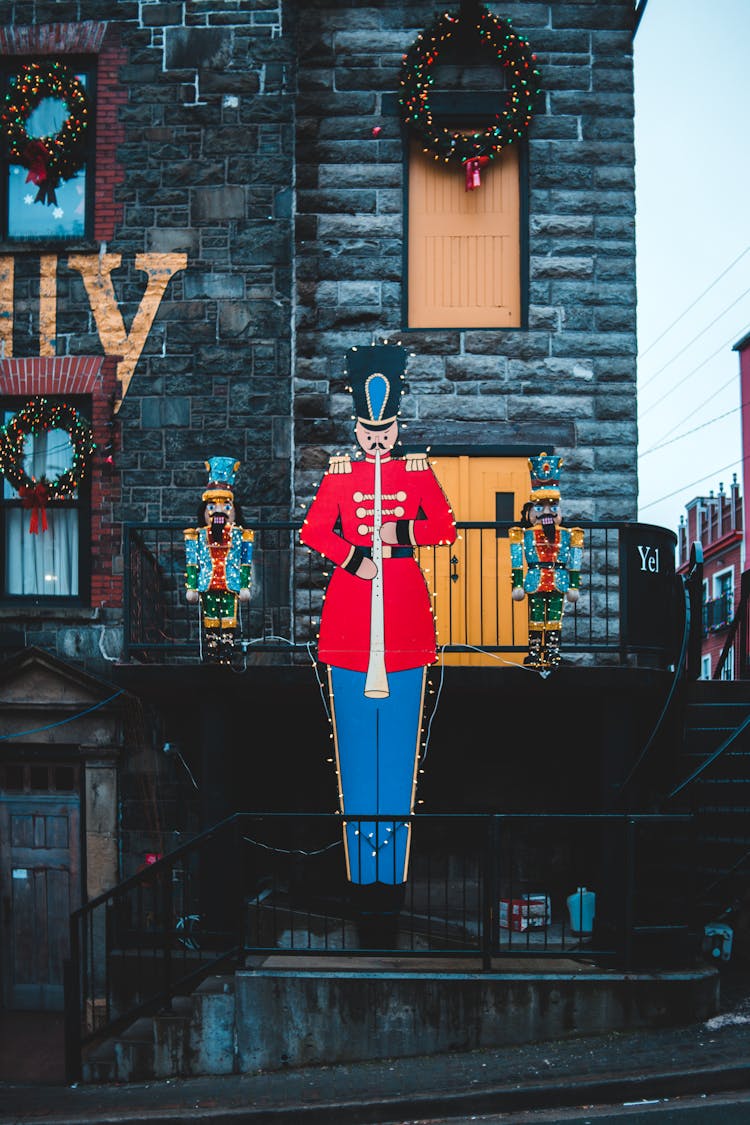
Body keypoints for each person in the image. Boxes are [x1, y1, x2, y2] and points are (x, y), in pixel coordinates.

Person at [300, 344, 456, 895]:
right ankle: (360, 872)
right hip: (350, 612)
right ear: (358, 429)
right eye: (369, 432)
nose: (376, 441)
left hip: (406, 615)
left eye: (384, 432)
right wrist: (354, 558)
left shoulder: (415, 472)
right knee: (353, 754)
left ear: (396, 427)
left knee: (398, 753)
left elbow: (443, 527)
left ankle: (390, 872)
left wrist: (399, 534)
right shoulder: (340, 476)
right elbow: (315, 530)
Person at [509, 453, 584, 670]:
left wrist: (573, 585)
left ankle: (552, 652)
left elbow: (575, 560)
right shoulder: (523, 534)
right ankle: (535, 652)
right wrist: (517, 584)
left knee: (554, 617)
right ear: (532, 510)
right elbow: (516, 561)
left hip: (558, 579)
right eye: (540, 508)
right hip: (534, 578)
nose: (547, 513)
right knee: (535, 616)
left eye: (552, 507)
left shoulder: (570, 535)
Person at [183, 457, 254, 664]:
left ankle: (227, 647)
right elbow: (192, 562)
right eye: (212, 506)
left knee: (229, 616)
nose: (219, 512)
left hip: (230, 583)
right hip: (208, 582)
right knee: (211, 617)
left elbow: (245, 561)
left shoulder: (241, 535)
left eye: (225, 506)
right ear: (204, 510)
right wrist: (192, 586)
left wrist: (244, 584)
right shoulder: (197, 535)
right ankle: (212, 648)